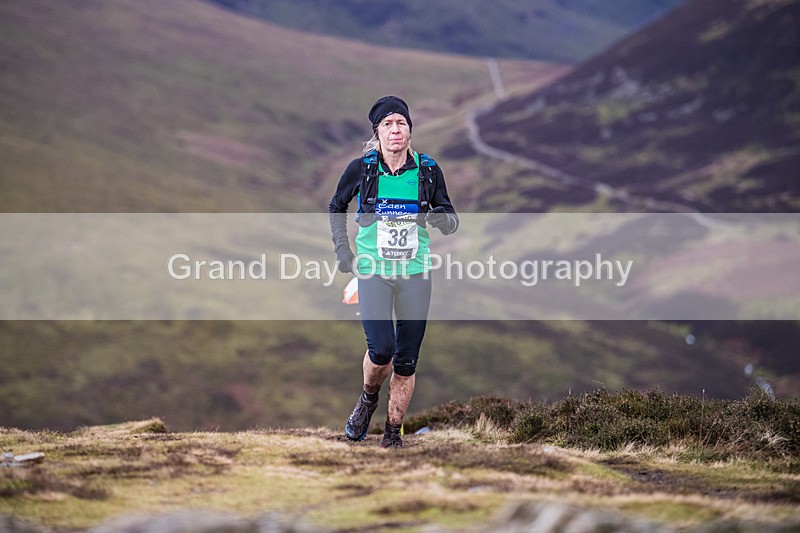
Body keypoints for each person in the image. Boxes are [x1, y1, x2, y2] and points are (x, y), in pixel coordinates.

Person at [329, 96, 459, 448]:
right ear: (378, 133)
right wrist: (343, 249)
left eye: (401, 122)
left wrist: (440, 219)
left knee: (406, 360)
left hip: (416, 274)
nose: (395, 129)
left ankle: (391, 434)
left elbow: (450, 220)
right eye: (387, 124)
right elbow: (337, 205)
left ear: (410, 130)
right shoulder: (362, 169)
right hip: (374, 271)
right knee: (382, 350)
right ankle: (368, 398)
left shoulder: (428, 170)